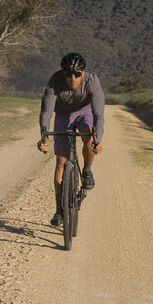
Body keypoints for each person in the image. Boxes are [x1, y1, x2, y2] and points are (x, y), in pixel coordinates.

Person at [38, 51, 105, 228]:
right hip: (62, 114)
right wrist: (43, 135)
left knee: (89, 138)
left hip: (85, 112)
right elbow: (46, 112)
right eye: (68, 74)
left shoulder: (92, 81)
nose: (72, 78)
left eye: (77, 74)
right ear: (63, 73)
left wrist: (98, 138)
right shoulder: (55, 81)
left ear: (83, 72)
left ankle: (87, 170)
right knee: (61, 161)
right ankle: (60, 210)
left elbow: (98, 114)